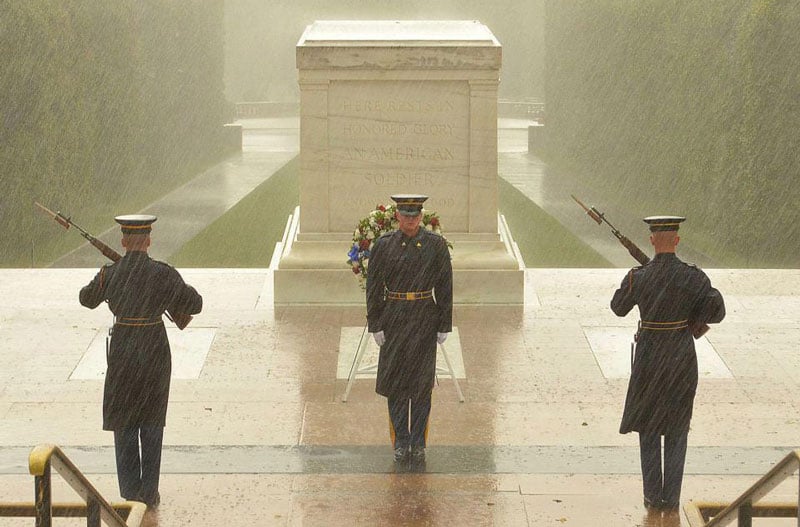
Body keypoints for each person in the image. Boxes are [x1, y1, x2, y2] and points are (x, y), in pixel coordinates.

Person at [79, 214, 202, 508]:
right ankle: (150, 491)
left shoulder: (111, 273)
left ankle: (130, 492)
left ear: (123, 241)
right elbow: (195, 304)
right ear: (148, 240)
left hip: (123, 351)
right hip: (154, 350)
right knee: (151, 421)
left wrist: (109, 275)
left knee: (124, 421)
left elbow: (86, 298)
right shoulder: (163, 273)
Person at [611, 215, 725, 511]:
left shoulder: (639, 276)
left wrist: (637, 280)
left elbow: (618, 308)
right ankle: (671, 498)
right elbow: (717, 311)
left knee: (648, 428)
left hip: (649, 358)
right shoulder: (693, 276)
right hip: (680, 357)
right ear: (676, 240)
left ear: (652, 240)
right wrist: (691, 315)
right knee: (676, 429)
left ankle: (652, 496)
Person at [366, 194, 453, 465]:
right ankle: (401, 440)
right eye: (406, 216)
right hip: (394, 318)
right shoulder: (383, 246)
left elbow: (445, 286)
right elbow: (374, 287)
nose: (411, 221)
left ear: (421, 217)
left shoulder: (435, 245)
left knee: (421, 384)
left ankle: (419, 441)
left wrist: (444, 324)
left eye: (415, 216)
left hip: (424, 317)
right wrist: (376, 324)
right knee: (397, 384)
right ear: (397, 217)